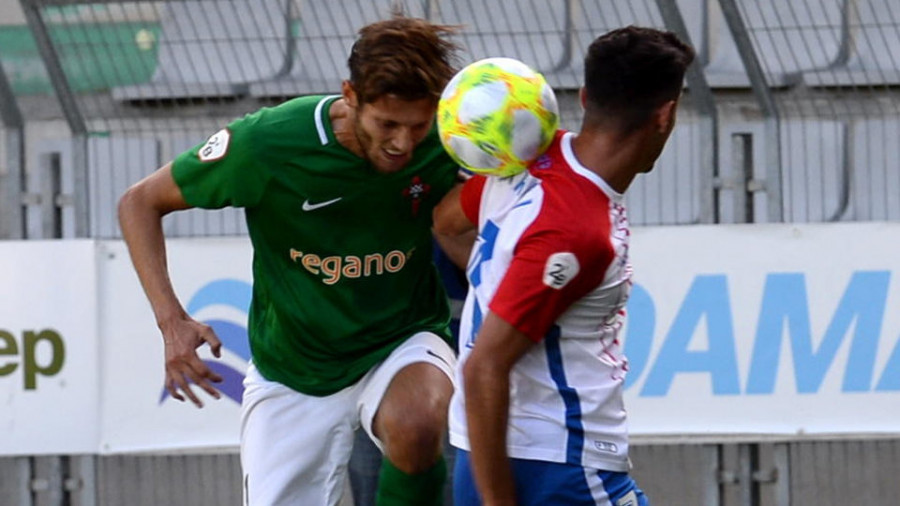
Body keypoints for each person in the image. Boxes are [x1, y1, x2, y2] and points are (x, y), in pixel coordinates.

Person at [118, 15, 464, 506]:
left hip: (400, 340)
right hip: (295, 368)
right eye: (387, 124)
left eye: (416, 126)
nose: (403, 144)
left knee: (418, 420)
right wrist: (171, 320)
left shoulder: (450, 138)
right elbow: (139, 202)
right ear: (351, 95)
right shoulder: (269, 143)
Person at [432, 26, 695, 506]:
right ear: (666, 115)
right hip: (557, 464)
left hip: (489, 452)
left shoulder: (526, 158)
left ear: (585, 95)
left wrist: (511, 285)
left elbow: (447, 223)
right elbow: (485, 366)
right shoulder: (576, 231)